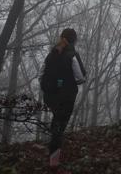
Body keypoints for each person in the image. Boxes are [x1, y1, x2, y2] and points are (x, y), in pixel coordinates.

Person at [40, 27, 86, 167]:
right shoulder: (72, 55)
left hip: (50, 96)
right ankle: (54, 162)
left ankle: (53, 156)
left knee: (56, 124)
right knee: (59, 128)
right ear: (74, 40)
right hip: (66, 97)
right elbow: (81, 77)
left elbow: (41, 74)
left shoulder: (51, 54)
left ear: (61, 38)